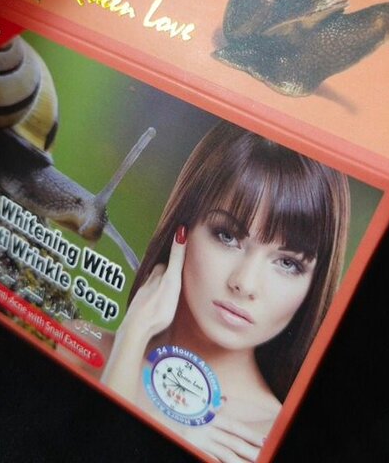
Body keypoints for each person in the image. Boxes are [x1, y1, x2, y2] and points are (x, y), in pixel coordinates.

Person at [96, 120, 351, 462]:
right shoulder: (80, 346)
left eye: (288, 263)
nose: (245, 283)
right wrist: (132, 335)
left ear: (313, 285)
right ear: (183, 228)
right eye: (227, 236)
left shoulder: (262, 444)